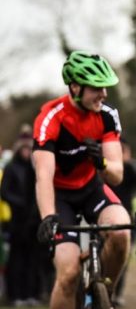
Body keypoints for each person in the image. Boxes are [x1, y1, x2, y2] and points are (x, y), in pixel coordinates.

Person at [32, 51, 131, 309]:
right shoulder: (51, 117)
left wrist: (102, 163)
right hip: (59, 196)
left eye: (106, 87)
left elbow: (116, 176)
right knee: (68, 274)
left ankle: (103, 294)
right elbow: (43, 175)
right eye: (97, 87)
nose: (104, 94)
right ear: (75, 87)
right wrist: (47, 216)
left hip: (90, 189)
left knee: (121, 231)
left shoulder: (107, 115)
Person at [0, 127, 42, 306]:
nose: (26, 152)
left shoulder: (36, 169)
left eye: (28, 149)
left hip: (33, 221)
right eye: (24, 149)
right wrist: (20, 203)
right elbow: (5, 192)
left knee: (32, 259)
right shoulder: (11, 168)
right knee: (16, 260)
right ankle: (16, 294)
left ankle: (32, 293)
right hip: (17, 221)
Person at [108, 137, 136, 307]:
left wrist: (127, 162)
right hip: (107, 214)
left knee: (123, 258)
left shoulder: (129, 170)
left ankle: (117, 292)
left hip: (126, 217)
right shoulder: (107, 169)